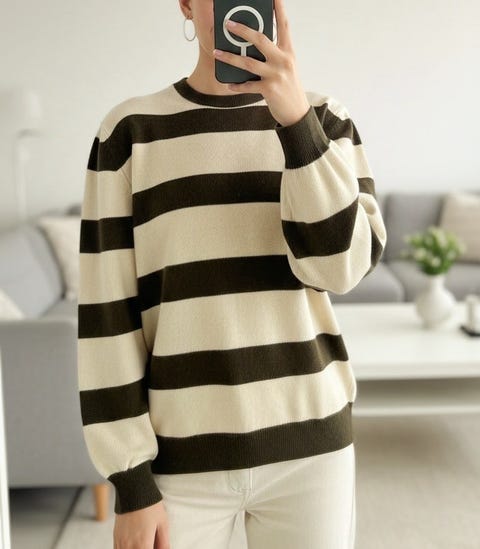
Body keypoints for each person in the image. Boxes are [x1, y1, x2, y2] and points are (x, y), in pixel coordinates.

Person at [77, 0, 387, 547]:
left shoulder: (325, 120)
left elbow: (340, 269)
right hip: (179, 461)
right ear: (187, 4)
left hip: (311, 451)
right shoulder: (128, 134)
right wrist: (131, 481)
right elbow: (107, 315)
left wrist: (296, 124)